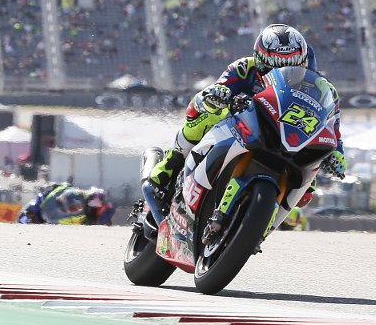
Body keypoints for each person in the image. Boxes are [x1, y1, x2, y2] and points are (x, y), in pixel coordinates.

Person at [147, 23, 346, 202]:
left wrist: (337, 154)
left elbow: (332, 127)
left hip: (286, 137)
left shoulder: (321, 87)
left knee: (307, 192)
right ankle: (174, 160)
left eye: (291, 64)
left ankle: (261, 228)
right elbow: (219, 87)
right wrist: (218, 94)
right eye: (275, 64)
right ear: (259, 59)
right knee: (207, 112)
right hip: (240, 125)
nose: (284, 70)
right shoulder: (244, 68)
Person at [17, 184, 112, 225]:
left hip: (52, 223)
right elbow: (61, 194)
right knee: (26, 215)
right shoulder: (76, 193)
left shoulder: (88, 218)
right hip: (45, 208)